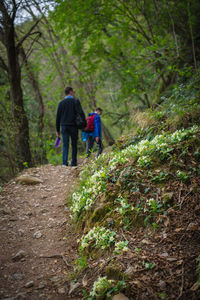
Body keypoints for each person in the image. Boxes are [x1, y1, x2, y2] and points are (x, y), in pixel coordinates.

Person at [56, 87, 86, 166]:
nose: (74, 93)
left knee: (65, 144)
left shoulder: (61, 103)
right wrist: (84, 125)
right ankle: (73, 163)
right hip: (73, 126)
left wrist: (57, 130)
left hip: (64, 126)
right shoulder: (75, 101)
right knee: (74, 144)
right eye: (73, 91)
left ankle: (64, 163)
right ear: (70, 92)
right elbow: (81, 113)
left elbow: (58, 117)